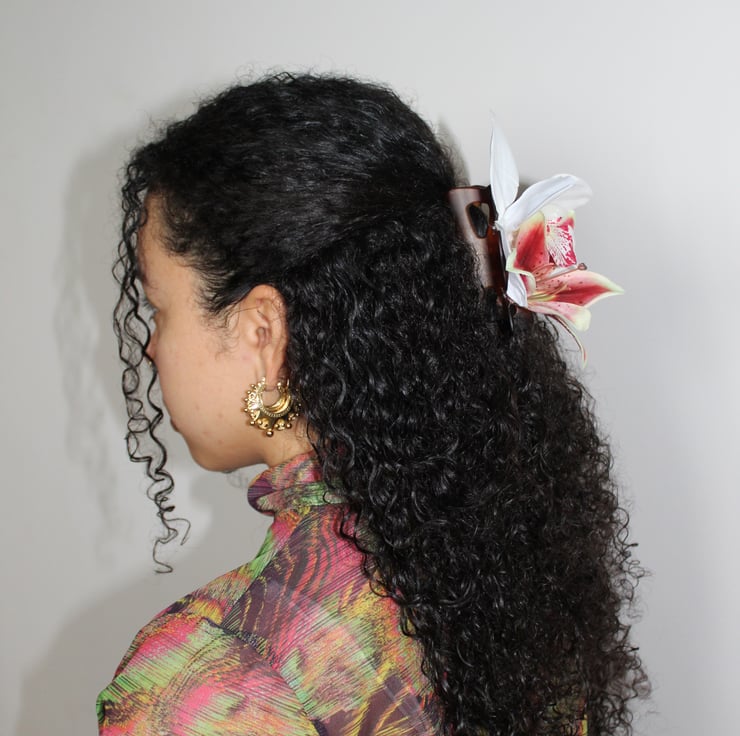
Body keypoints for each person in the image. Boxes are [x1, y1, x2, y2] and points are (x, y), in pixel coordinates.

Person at [98, 73, 647, 736]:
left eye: (159, 308)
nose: (151, 347)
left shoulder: (210, 684)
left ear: (262, 332)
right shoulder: (509, 561)